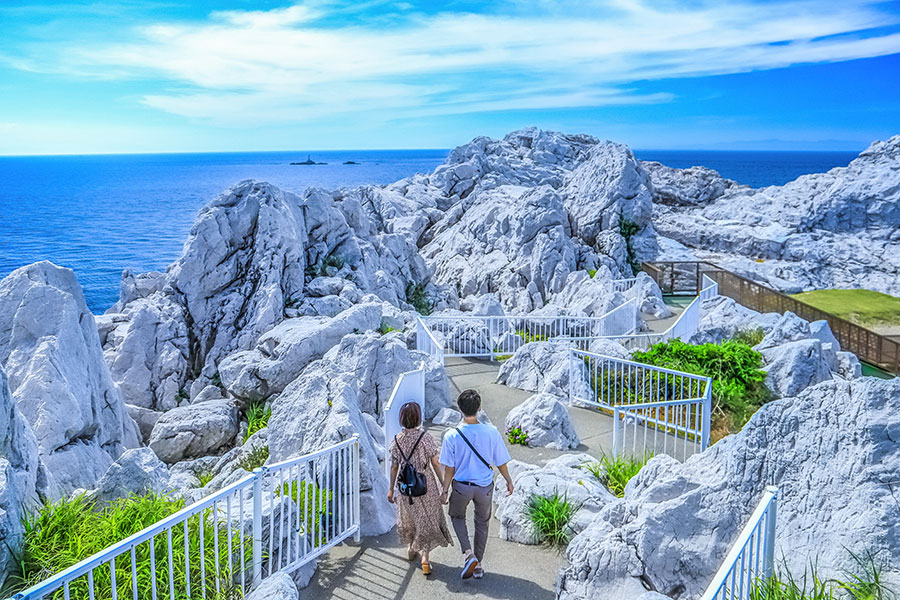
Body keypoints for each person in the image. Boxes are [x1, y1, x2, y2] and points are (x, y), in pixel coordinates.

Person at [439, 389, 515, 580]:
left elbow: (449, 468)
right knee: (482, 523)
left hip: (461, 486)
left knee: (457, 517)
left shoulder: (451, 435)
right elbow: (501, 462)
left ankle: (468, 554)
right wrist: (508, 481)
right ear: (479, 408)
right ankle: (478, 565)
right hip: (484, 487)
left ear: (459, 408)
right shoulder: (491, 432)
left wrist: (445, 489)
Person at [387, 401, 453, 576]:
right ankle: (425, 558)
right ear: (418, 418)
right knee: (427, 519)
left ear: (401, 418)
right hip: (425, 485)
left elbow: (394, 467)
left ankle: (410, 548)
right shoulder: (425, 438)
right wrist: (443, 486)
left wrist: (391, 489)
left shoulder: (396, 440)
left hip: (405, 488)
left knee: (410, 518)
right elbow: (435, 462)